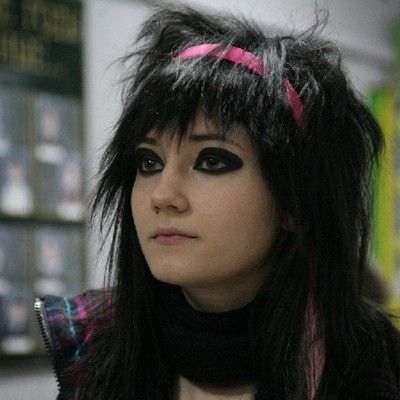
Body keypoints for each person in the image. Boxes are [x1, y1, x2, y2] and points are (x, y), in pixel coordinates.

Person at [34, 4, 400, 400]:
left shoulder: (372, 371)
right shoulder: (90, 346)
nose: (163, 195)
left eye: (211, 161)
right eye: (149, 162)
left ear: (294, 201)